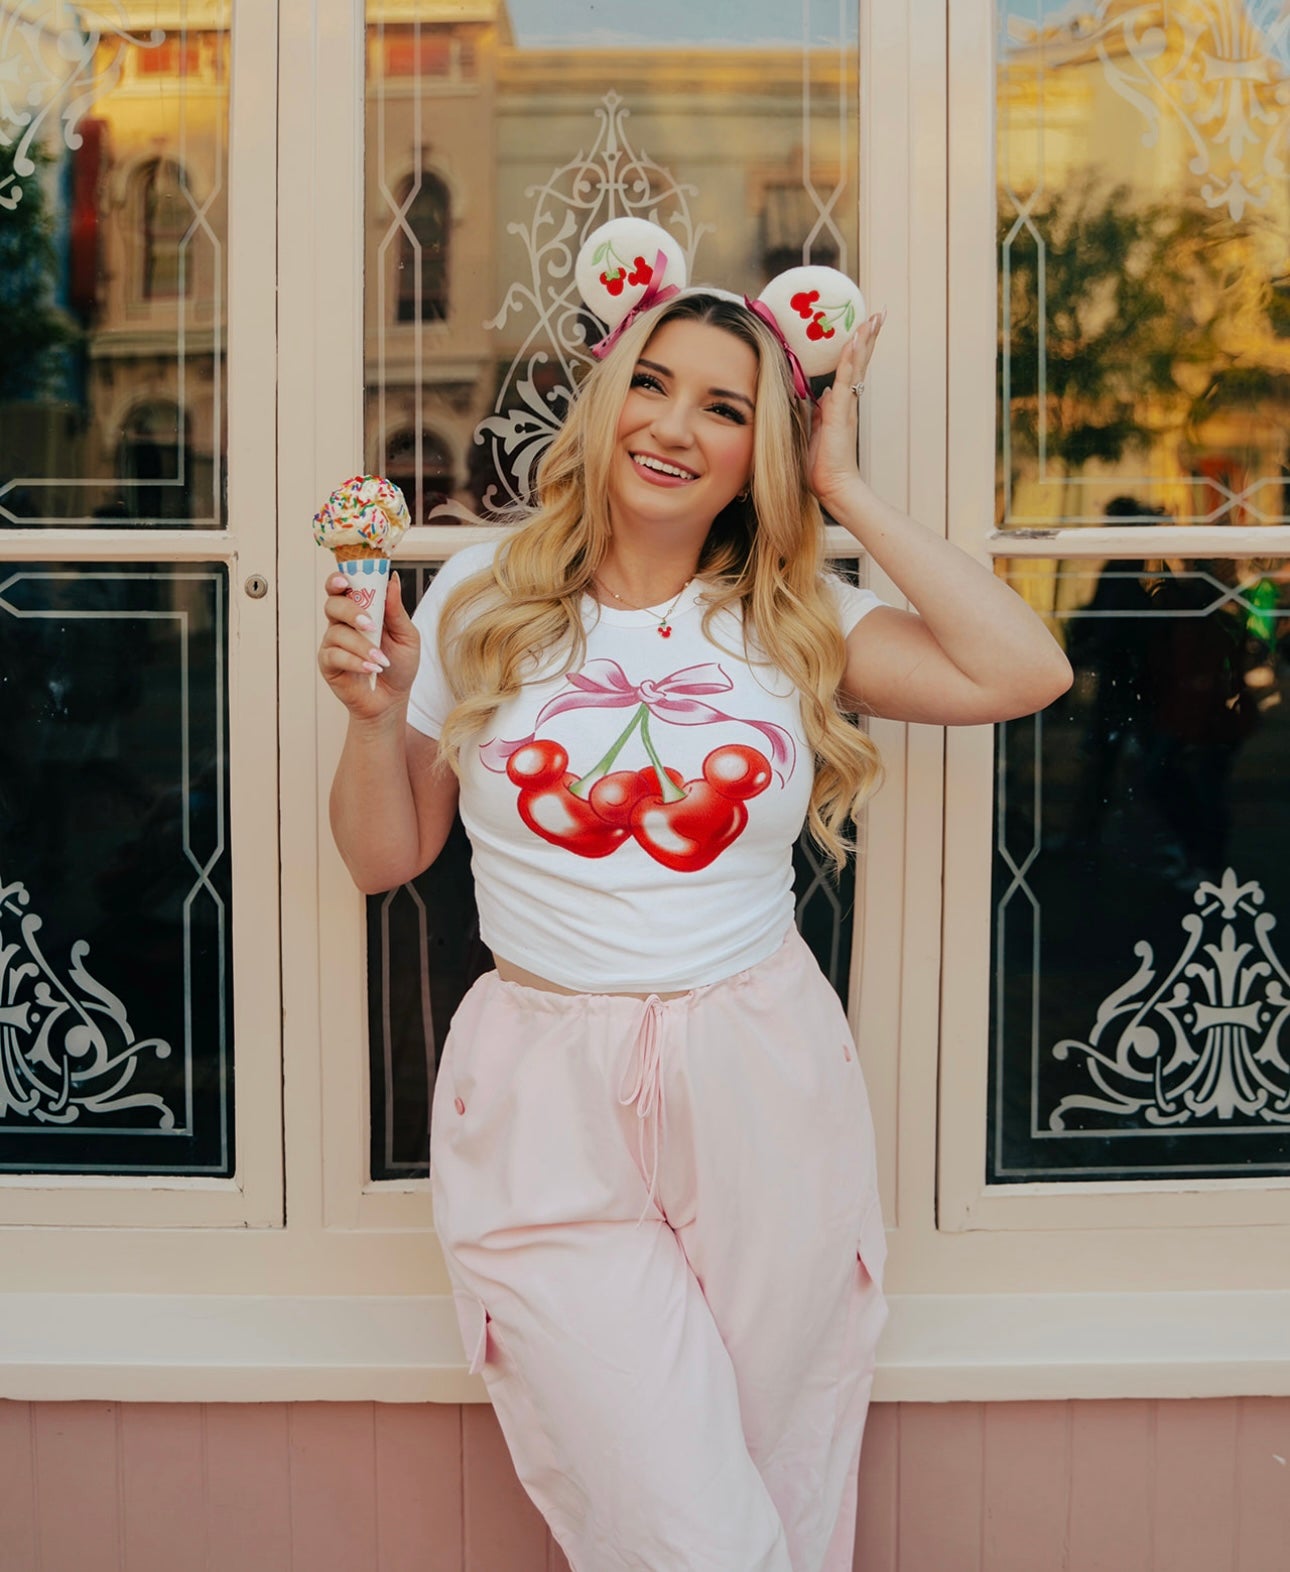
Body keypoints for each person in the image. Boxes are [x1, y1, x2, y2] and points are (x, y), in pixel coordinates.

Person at [319, 282, 1072, 1570]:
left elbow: (1024, 669)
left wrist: (844, 490)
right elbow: (390, 859)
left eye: (725, 408)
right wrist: (375, 717)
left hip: (760, 1075)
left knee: (779, 1483)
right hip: (541, 1092)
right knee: (690, 1530)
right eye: (654, 383)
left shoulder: (793, 623)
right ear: (608, 397)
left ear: (757, 455)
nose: (673, 425)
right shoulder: (474, 596)